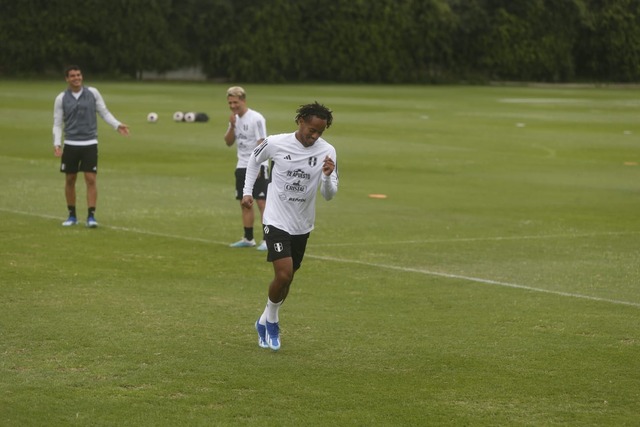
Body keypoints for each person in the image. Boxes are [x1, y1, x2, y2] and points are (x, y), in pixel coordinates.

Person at [242, 102, 338, 351]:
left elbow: (328, 194)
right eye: (312, 129)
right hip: (275, 219)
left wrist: (327, 176)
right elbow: (254, 160)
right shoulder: (276, 143)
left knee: (288, 279)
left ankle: (263, 319)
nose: (314, 136)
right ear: (301, 121)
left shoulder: (328, 152)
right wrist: (247, 192)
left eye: (320, 132)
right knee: (283, 273)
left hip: (302, 224)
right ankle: (272, 322)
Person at [52, 65, 129, 228]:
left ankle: (91, 216)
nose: (76, 78)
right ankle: (72, 215)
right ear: (67, 79)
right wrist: (57, 143)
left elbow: (104, 112)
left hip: (90, 143)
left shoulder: (93, 93)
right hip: (71, 144)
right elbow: (57, 123)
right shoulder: (61, 98)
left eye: (78, 75)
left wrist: (117, 125)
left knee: (90, 179)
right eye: (72, 76)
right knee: (70, 179)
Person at [224, 86, 269, 251]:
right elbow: (228, 142)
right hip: (241, 165)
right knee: (245, 203)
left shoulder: (256, 118)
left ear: (243, 100)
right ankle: (248, 238)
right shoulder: (234, 119)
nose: (233, 106)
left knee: (262, 202)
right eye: (230, 103)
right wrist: (232, 125)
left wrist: (257, 165)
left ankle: (267, 240)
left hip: (258, 166)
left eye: (235, 102)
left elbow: (262, 142)